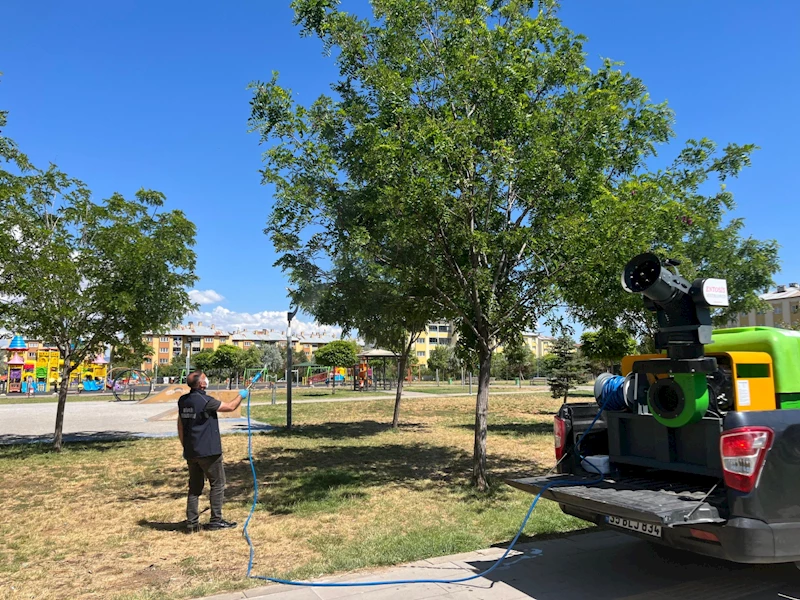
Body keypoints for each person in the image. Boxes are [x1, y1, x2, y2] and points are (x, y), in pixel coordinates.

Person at [177, 371, 247, 533]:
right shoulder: (205, 401)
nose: (206, 379)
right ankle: (216, 520)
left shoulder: (183, 400)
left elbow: (180, 425)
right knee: (218, 484)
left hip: (191, 451)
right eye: (204, 378)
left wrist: (185, 446)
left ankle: (192, 522)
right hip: (209, 451)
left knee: (194, 487)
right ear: (201, 384)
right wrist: (241, 396)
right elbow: (230, 407)